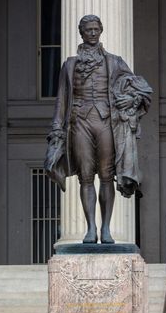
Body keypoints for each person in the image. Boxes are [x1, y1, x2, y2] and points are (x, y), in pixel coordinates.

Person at [45, 15, 152, 244]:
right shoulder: (69, 64)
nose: (92, 33)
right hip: (79, 122)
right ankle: (90, 229)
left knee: (105, 176)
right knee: (85, 177)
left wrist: (130, 100)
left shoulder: (115, 61)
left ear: (101, 31)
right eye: (88, 30)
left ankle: (106, 229)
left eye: (95, 29)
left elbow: (140, 88)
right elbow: (61, 101)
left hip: (106, 122)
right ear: (81, 32)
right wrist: (56, 131)